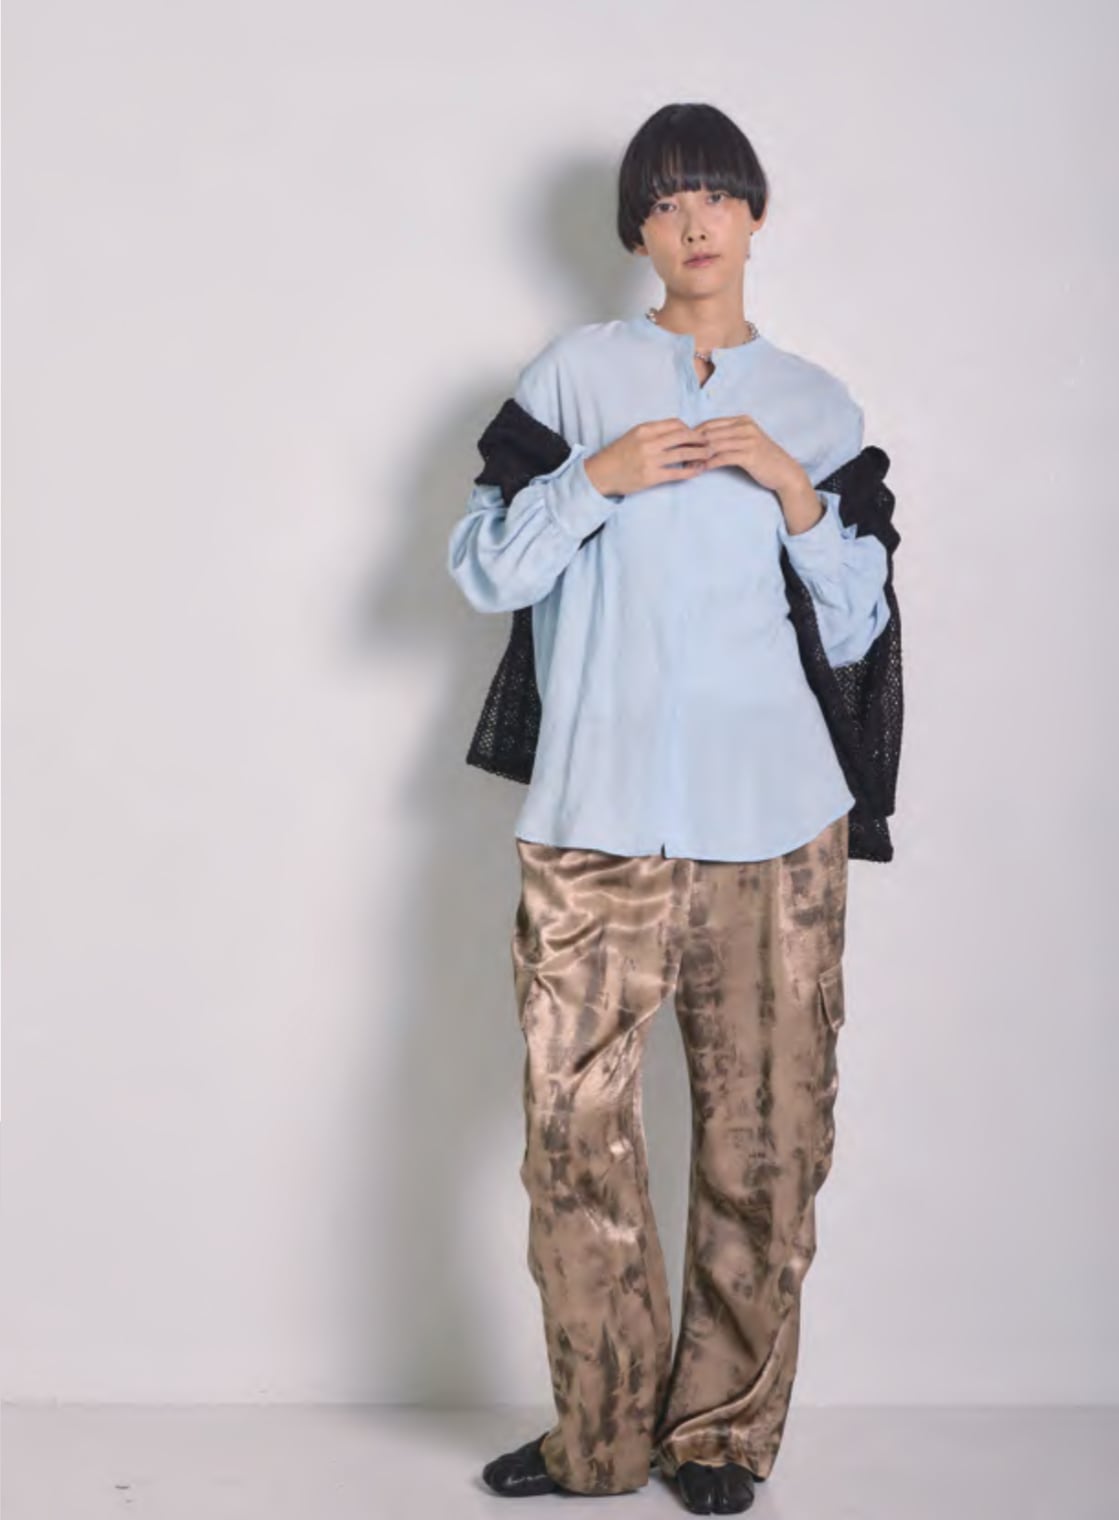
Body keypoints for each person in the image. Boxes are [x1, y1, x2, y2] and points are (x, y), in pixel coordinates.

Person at [446, 101, 891, 1515]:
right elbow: (485, 569)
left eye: (717, 195)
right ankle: (600, 1437)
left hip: (778, 830)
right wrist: (597, 478)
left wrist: (794, 493)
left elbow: (859, 626)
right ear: (637, 229)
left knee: (769, 1143)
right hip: (597, 824)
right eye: (665, 200)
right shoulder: (575, 377)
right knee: (573, 1144)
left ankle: (721, 1435)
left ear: (756, 216)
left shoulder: (815, 404)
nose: (695, 222)